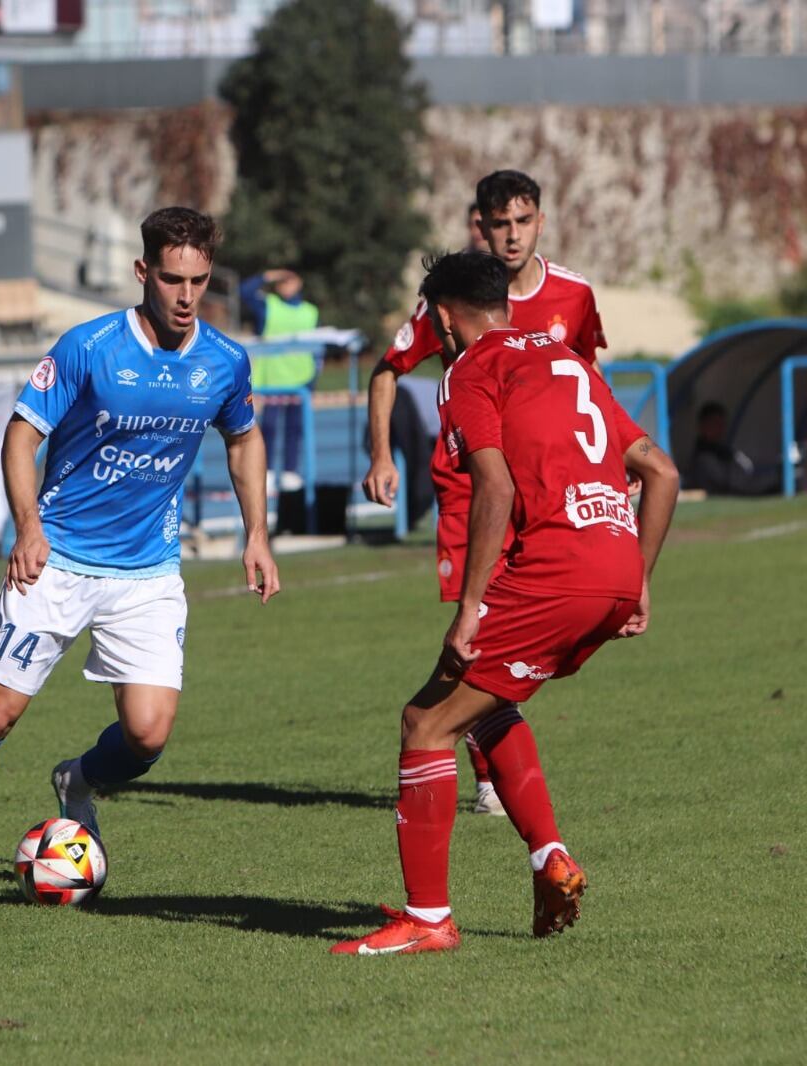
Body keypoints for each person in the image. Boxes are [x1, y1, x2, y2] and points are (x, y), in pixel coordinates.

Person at [0, 207, 280, 897]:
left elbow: (244, 435)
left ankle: (77, 779)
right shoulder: (88, 347)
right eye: (171, 279)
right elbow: (20, 436)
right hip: (58, 560)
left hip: (147, 573)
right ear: (143, 273)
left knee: (148, 735)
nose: (186, 295)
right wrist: (27, 527)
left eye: (198, 280)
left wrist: (256, 530)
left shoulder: (223, 360)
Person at [331, 251, 679, 956]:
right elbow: (660, 471)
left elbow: (495, 489)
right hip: (610, 565)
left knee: (424, 724)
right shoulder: (567, 360)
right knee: (484, 703)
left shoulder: (468, 372)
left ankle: (429, 918)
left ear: (447, 317)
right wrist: (637, 578)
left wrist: (470, 606)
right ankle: (549, 856)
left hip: (555, 570)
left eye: (434, 319)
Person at [363, 170, 610, 815]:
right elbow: (387, 371)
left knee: (481, 646)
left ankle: (495, 798)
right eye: (498, 223)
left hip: (546, 496)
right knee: (479, 644)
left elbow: (586, 377)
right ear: (480, 224)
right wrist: (381, 454)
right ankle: (490, 781)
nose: (510, 235)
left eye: (521, 222)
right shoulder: (453, 300)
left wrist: (605, 457)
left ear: (540, 223)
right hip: (471, 489)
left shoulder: (573, 296)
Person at [239, 268, 321, 492]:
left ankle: (290, 472)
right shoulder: (269, 305)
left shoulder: (310, 311)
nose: (285, 286)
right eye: (281, 282)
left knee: (295, 428)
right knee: (269, 428)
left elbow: (316, 349)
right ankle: (265, 471)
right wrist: (268, 275)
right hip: (273, 378)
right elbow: (244, 291)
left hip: (301, 378)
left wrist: (314, 377)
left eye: (289, 281)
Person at [688, 401, 783, 495]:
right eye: (715, 423)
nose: (720, 428)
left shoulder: (724, 451)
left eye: (721, 424)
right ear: (703, 425)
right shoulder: (704, 458)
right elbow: (734, 484)